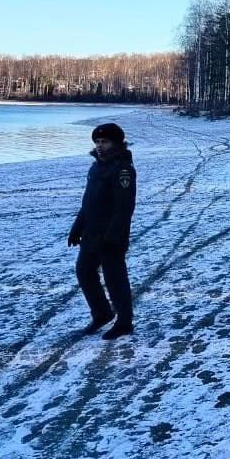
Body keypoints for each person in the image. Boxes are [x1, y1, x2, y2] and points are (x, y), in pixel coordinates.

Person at [68, 122, 136, 340]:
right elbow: (88, 202)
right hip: (91, 233)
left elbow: (124, 207)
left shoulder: (123, 169)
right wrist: (77, 227)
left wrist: (114, 236)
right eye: (97, 142)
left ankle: (124, 322)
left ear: (116, 143)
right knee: (84, 272)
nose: (100, 146)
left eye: (104, 142)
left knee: (115, 279)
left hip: (111, 236)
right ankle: (102, 313)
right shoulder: (96, 166)